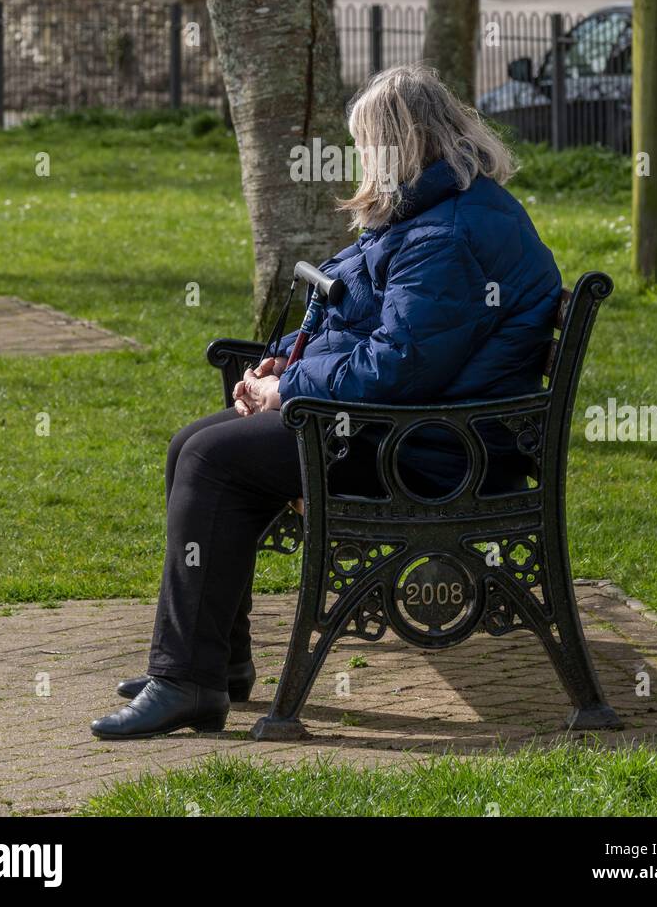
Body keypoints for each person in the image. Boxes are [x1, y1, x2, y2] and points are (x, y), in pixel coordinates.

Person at [91, 64, 561, 739]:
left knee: (214, 460)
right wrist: (283, 357)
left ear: (398, 145)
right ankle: (212, 665)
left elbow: (398, 367)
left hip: (431, 451)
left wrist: (291, 387)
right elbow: (359, 315)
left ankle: (189, 679)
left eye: (366, 145)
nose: (361, 161)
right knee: (194, 444)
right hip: (408, 426)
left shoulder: (445, 235)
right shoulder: (437, 209)